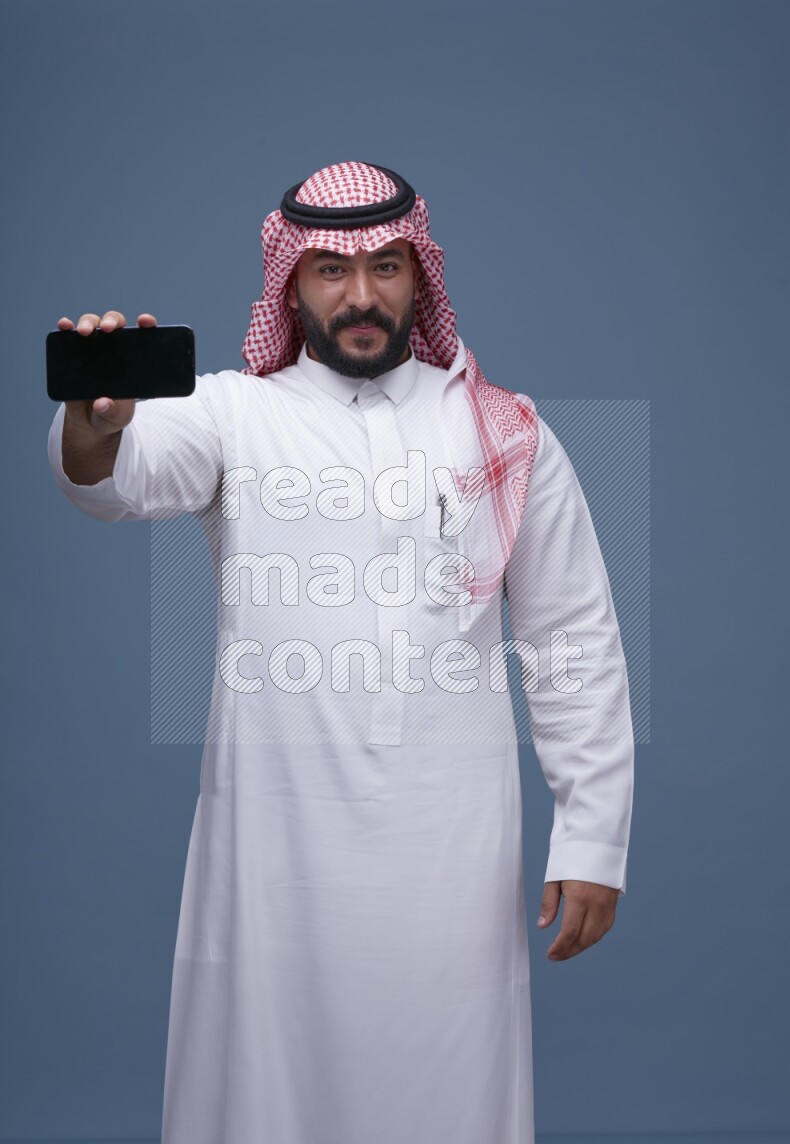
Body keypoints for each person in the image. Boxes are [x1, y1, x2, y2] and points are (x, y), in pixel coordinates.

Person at [47, 161, 635, 1144]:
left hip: (451, 845)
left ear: (420, 276)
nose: (360, 297)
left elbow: (571, 637)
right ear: (288, 283)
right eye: (328, 270)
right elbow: (112, 482)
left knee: (448, 1089)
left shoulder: (505, 431)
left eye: (385, 267)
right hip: (275, 849)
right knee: (268, 1090)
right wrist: (92, 422)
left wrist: (591, 836)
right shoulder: (230, 411)